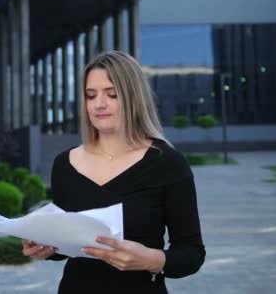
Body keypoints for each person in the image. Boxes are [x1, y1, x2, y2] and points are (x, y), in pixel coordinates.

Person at [21, 51, 205, 293]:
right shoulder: (65, 164)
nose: (99, 104)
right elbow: (67, 245)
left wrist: (152, 259)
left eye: (112, 94)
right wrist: (45, 246)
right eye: (90, 95)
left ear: (133, 98)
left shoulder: (167, 162)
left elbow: (192, 253)